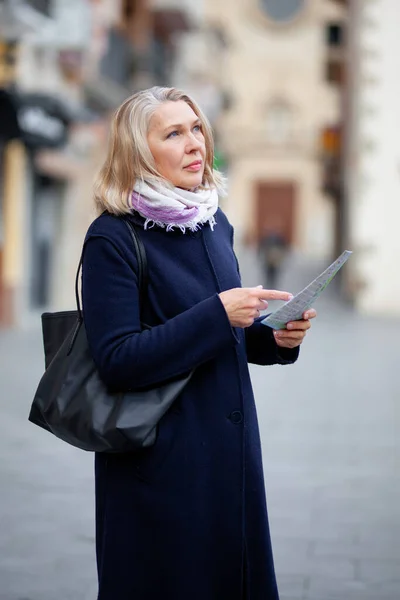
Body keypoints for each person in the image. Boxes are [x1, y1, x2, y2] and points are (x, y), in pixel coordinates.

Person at [81, 86, 317, 600]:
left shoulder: (213, 224)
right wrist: (218, 314)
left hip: (228, 463)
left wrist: (276, 336)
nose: (195, 144)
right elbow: (118, 359)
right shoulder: (113, 237)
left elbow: (227, 334)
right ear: (138, 151)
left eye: (196, 129)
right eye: (173, 133)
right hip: (158, 469)